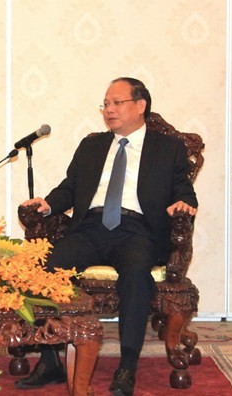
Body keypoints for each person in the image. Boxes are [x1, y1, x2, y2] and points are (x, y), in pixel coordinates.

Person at [15, 77, 198, 395]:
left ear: (140, 106)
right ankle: (49, 360)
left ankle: (127, 366)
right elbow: (69, 187)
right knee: (45, 267)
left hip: (136, 230)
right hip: (90, 227)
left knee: (136, 272)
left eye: (116, 103)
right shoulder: (92, 145)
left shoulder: (168, 148)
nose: (109, 110)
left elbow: (183, 188)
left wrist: (186, 203)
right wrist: (47, 205)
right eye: (106, 104)